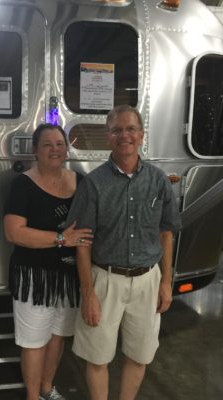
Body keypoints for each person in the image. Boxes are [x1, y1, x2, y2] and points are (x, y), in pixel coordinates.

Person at [66, 105, 182, 400]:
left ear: (141, 135)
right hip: (105, 281)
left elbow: (166, 233)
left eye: (131, 129)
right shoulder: (93, 184)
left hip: (148, 281)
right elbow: (82, 242)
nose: (124, 135)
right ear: (108, 137)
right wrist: (88, 293)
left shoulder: (158, 180)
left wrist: (166, 282)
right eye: (116, 130)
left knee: (139, 356)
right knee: (97, 358)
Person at [4, 123, 93, 400]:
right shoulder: (23, 185)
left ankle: (46, 388)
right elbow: (14, 233)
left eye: (59, 144)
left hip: (69, 276)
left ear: (66, 149)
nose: (55, 150)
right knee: (34, 341)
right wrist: (61, 239)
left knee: (58, 336)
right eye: (47, 144)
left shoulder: (79, 181)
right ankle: (33, 396)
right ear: (35, 150)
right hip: (35, 277)